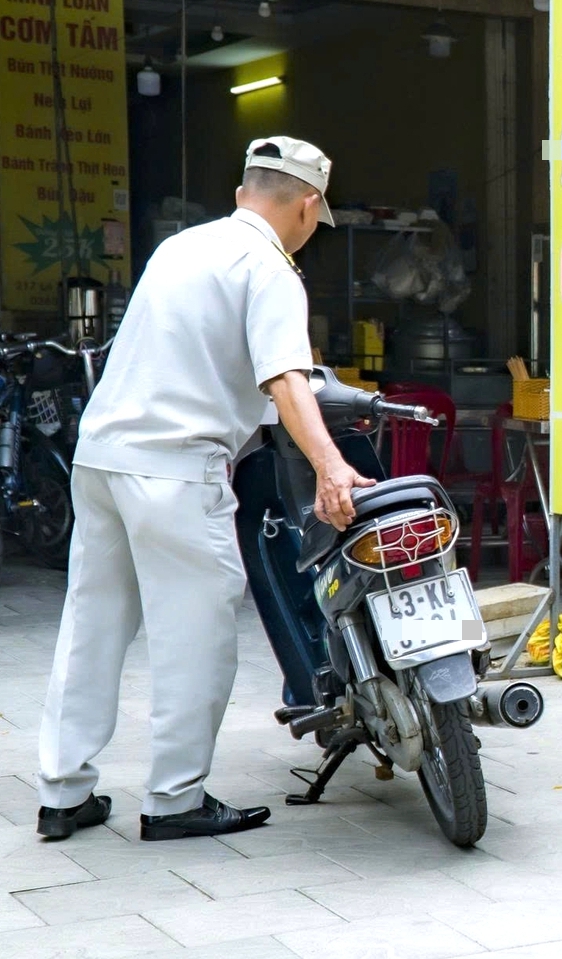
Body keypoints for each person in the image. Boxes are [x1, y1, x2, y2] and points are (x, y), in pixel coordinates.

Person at [36, 136, 373, 841]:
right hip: (174, 469)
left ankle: (64, 792)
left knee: (92, 627)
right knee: (197, 633)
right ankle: (175, 800)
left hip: (102, 459)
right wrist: (330, 465)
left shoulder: (181, 248)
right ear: (308, 205)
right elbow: (287, 378)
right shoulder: (270, 268)